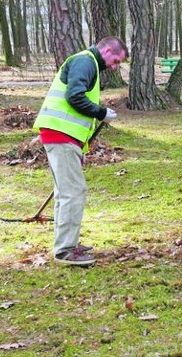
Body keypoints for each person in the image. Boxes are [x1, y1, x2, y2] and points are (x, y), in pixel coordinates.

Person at [33, 37, 128, 266]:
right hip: (60, 135)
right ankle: (65, 250)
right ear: (106, 50)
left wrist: (81, 148)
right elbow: (74, 96)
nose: (114, 66)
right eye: (115, 60)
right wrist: (100, 112)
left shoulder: (88, 64)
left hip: (65, 137)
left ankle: (66, 244)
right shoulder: (85, 62)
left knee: (65, 190)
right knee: (73, 191)